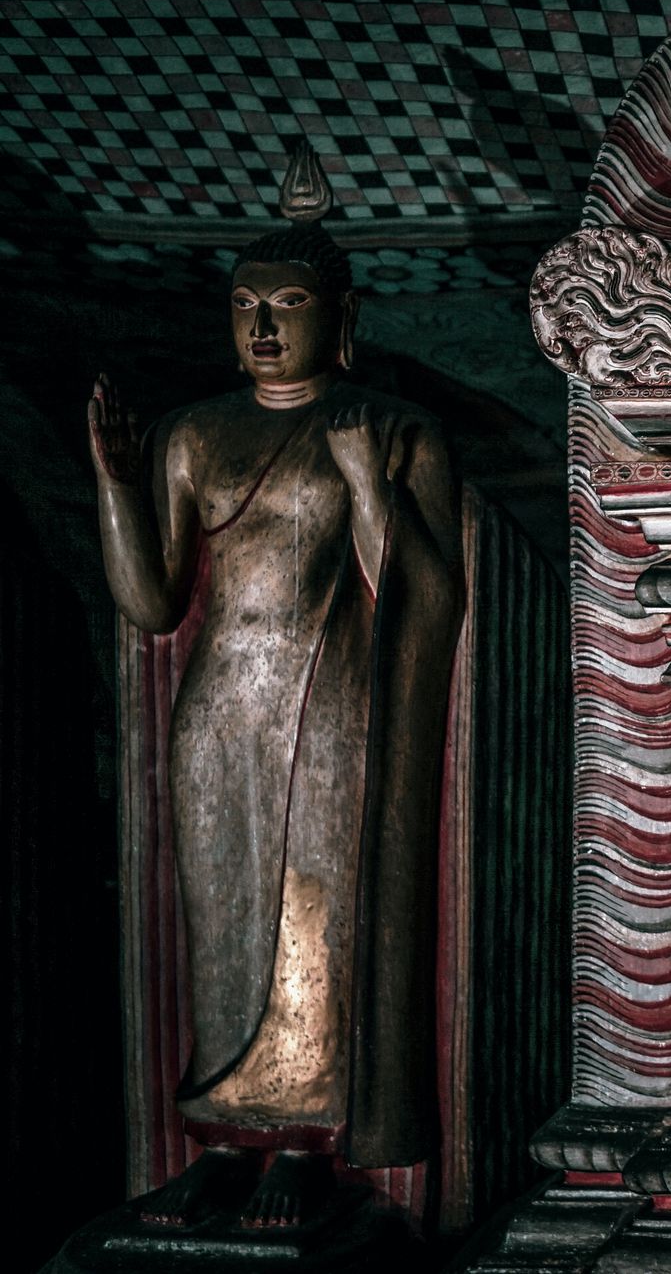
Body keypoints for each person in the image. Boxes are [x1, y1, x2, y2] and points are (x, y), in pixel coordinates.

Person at [88, 144, 462, 1230]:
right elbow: (154, 602)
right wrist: (116, 484)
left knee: (313, 914)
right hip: (216, 710)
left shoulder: (390, 429)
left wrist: (358, 478)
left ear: (341, 320)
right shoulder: (192, 434)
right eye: (246, 305)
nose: (262, 326)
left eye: (288, 305)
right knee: (223, 922)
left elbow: (422, 596)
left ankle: (305, 1141)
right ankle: (223, 1139)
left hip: (330, 704)